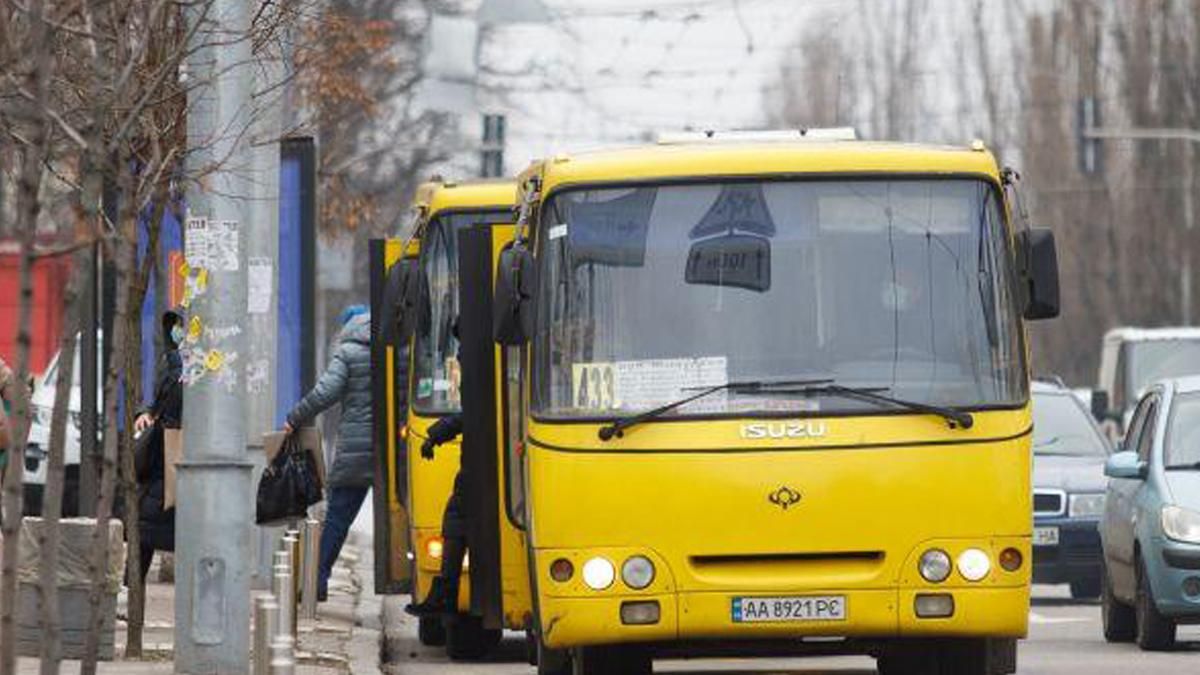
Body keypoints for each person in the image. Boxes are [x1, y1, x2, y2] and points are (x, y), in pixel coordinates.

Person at [284, 304, 374, 601]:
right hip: (396, 453)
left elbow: (326, 392)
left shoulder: (348, 352)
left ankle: (316, 582)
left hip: (356, 452)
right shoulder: (394, 347)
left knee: (337, 518)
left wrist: (295, 418)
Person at [133, 311, 185, 581]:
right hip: (166, 456)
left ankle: (132, 589)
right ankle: (132, 589)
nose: (175, 333)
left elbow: (169, 407)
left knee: (147, 527)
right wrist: (147, 412)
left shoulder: (181, 369)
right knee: (149, 526)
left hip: (168, 456)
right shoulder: (177, 366)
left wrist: (152, 414)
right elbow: (161, 405)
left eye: (179, 327)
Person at [404, 412, 466, 617]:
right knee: (457, 519)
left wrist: (433, 437)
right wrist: (435, 436)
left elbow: (465, 417)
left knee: (456, 518)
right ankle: (444, 593)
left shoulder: (484, 394)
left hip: (480, 477)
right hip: (483, 476)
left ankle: (444, 595)